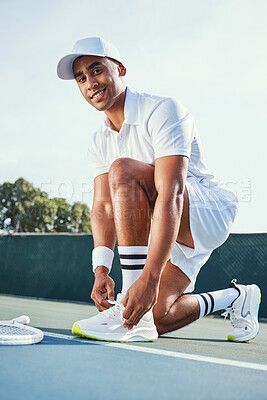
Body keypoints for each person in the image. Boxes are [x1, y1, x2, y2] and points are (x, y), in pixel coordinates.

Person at [57, 37, 261, 343]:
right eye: (81, 78)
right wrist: (100, 270)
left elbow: (172, 192)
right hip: (160, 224)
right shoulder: (98, 141)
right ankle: (235, 297)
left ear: (120, 69)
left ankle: (127, 296)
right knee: (153, 316)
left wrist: (148, 279)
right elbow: (103, 207)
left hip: (203, 212)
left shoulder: (164, 109)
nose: (90, 83)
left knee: (123, 170)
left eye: (97, 70)